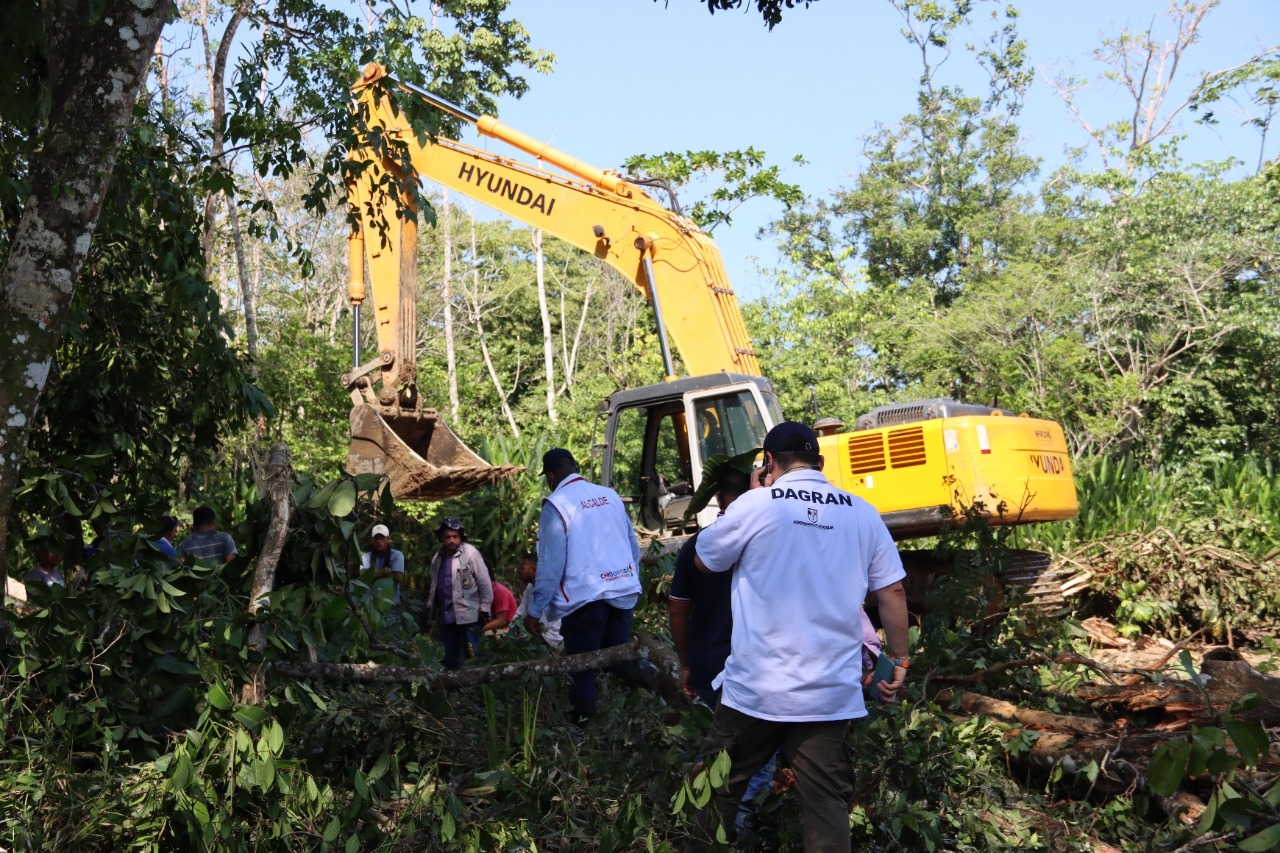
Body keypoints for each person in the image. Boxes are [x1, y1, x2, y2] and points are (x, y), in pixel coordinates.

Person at [686, 421, 911, 853]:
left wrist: (752, 498)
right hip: (828, 695)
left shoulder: (758, 505)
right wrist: (898, 660)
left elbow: (703, 561)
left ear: (768, 463)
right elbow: (893, 591)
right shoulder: (861, 512)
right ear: (820, 462)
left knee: (714, 789)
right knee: (826, 803)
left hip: (755, 691)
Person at [523, 447, 643, 723]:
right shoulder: (609, 496)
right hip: (622, 593)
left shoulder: (557, 505)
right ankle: (647, 704)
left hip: (584, 601)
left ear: (550, 475)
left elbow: (551, 565)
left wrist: (534, 610)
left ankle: (583, 735)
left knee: (583, 670)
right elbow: (632, 547)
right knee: (619, 663)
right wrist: (628, 580)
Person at [425, 517, 493, 670]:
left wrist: (485, 607)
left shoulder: (470, 553)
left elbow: (484, 580)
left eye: (455, 536)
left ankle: (480, 687)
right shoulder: (437, 558)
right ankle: (453, 688)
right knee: (450, 657)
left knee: (476, 654)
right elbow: (434, 584)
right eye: (448, 536)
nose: (451, 540)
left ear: (460, 536)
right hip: (446, 614)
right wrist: (430, 606)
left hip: (468, 612)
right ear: (442, 537)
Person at [513, 552, 563, 649]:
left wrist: (542, 640)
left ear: (533, 570)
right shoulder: (530, 587)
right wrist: (509, 634)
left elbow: (557, 626)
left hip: (552, 641)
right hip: (535, 636)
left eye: (523, 568)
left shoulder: (554, 587)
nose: (520, 571)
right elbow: (520, 612)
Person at [360, 523, 405, 605]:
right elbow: (363, 577)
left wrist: (374, 573)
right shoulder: (366, 556)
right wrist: (385, 572)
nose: (379, 541)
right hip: (370, 605)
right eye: (376, 538)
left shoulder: (397, 555)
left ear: (388, 539)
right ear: (372, 540)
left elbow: (398, 577)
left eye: (382, 537)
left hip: (391, 605)